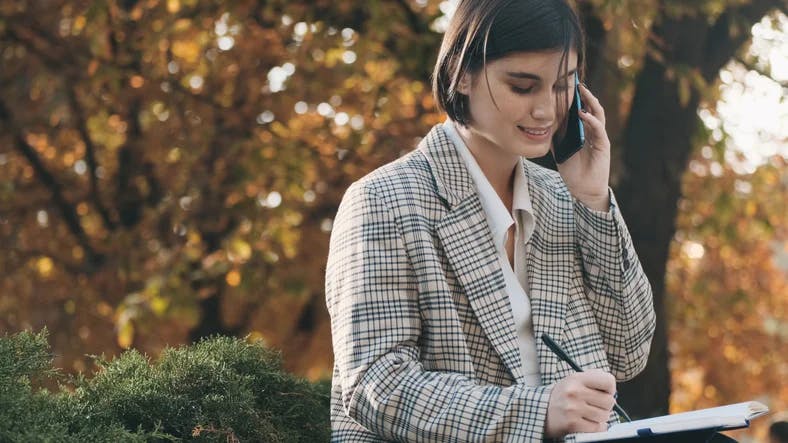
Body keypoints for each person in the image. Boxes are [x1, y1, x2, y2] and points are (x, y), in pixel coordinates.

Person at [325, 0, 656, 440]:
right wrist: (539, 412)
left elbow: (629, 352)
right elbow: (377, 385)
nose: (546, 110)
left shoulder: (563, 199)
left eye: (562, 85)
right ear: (462, 74)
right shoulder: (384, 201)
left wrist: (594, 200)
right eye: (523, 87)